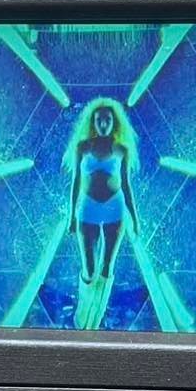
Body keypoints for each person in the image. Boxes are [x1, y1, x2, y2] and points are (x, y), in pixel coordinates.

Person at [67, 97, 140, 288]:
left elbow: (126, 185)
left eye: (108, 119)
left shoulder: (121, 150)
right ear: (93, 122)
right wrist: (71, 216)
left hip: (114, 207)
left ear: (114, 122)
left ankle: (99, 306)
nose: (103, 124)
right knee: (89, 270)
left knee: (107, 269)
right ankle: (85, 306)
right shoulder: (82, 147)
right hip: (88, 207)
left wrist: (135, 219)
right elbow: (76, 181)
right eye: (99, 120)